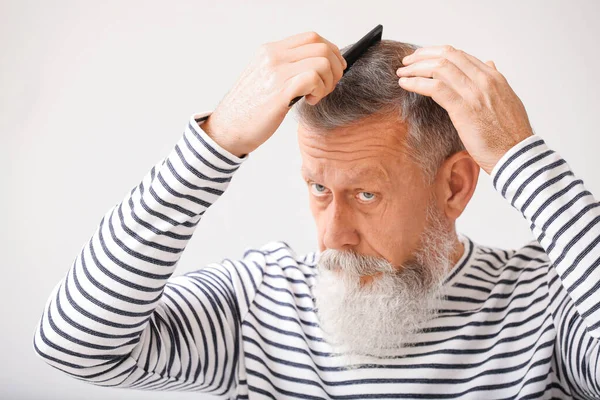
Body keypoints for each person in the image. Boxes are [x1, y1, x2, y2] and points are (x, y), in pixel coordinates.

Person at [33, 31, 600, 399]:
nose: (334, 236)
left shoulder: (549, 304)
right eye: (318, 189)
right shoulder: (258, 303)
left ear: (454, 187)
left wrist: (516, 154)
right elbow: (74, 344)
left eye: (366, 195)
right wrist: (218, 141)